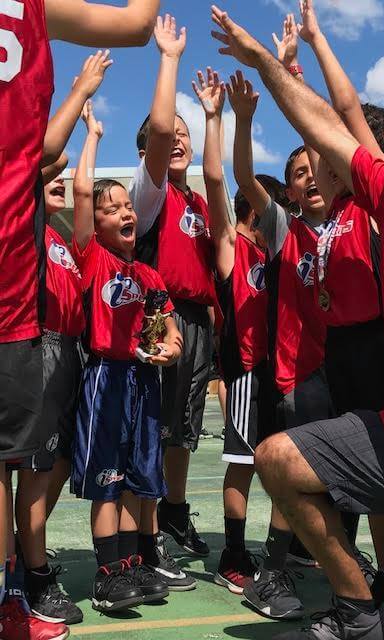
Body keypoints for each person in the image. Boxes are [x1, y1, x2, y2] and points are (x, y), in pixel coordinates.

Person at [212, 5, 384, 639]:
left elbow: (349, 119)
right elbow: (327, 123)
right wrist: (264, 63)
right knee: (277, 459)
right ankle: (362, 614)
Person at [0, 0, 160, 635]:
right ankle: (28, 582)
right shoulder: (48, 232)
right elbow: (52, 157)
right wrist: (84, 110)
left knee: (51, 468)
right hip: (34, 341)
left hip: (63, 354)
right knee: (29, 472)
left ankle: (28, 581)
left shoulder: (67, 243)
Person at [294, 5, 384, 637]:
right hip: (344, 352)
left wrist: (318, 41)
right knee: (374, 482)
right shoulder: (322, 224)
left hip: (383, 347)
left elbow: (345, 112)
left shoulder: (380, 208)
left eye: (326, 158)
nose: (317, 165)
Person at [227, 68, 334, 620]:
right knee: (293, 475)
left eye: (316, 166)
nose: (309, 176)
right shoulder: (285, 231)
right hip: (298, 374)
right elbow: (244, 177)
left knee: (343, 485)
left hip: (348, 371)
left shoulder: (355, 222)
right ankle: (270, 572)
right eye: (297, 172)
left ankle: (334, 565)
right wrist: (244, 119)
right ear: (288, 192)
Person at [70, 101, 182, 613]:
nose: (124, 213)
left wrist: (169, 346)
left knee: (139, 476)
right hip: (106, 378)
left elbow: (168, 326)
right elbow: (80, 191)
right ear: (94, 224)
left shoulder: (151, 278)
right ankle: (107, 574)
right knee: (108, 479)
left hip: (142, 380)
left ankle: (132, 566)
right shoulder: (93, 257)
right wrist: (92, 134)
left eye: (127, 206)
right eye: (110, 208)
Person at [193, 66, 286, 594]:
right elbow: (215, 182)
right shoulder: (236, 245)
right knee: (243, 463)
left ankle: (281, 554)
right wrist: (215, 116)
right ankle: (233, 553)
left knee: (287, 463)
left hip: (287, 370)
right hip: (247, 369)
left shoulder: (282, 248)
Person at [129, 14, 215, 558]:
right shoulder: (150, 194)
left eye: (188, 136)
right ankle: (150, 522)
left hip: (199, 319)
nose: (179, 140)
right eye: (171, 137)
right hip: (163, 315)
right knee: (158, 425)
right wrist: (169, 58)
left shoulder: (199, 202)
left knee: (185, 426)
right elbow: (160, 131)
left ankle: (176, 511)